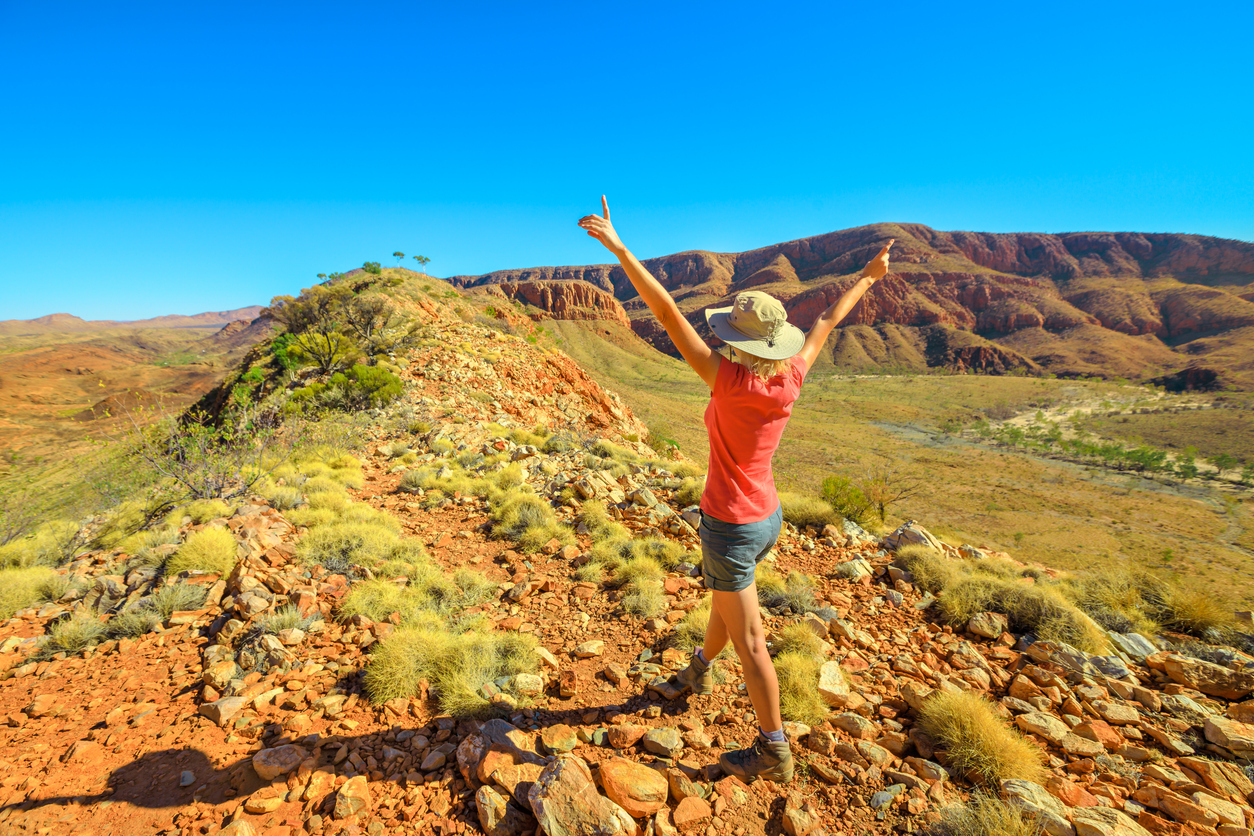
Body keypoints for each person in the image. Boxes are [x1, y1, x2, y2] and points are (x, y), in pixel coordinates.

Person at [578, 197, 893, 784]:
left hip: (729, 524)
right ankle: (698, 670)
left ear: (738, 344)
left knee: (751, 640)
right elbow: (827, 321)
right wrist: (868, 278)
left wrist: (620, 250)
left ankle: (773, 749)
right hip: (768, 517)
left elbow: (668, 312)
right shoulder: (793, 373)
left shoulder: (726, 381)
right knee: (728, 600)